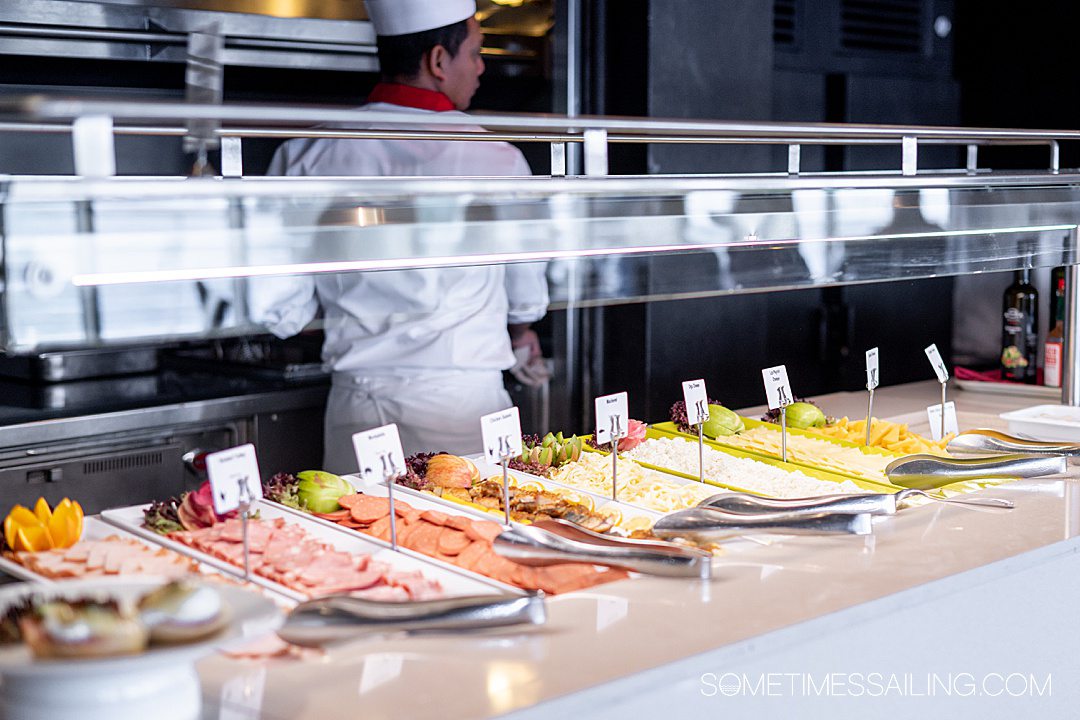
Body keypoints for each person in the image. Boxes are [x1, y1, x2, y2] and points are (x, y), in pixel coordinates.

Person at [260, 0, 548, 471]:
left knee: (359, 537)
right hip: (466, 410)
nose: (480, 69)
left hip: (360, 409)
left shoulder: (308, 154)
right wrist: (522, 330)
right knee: (481, 535)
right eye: (475, 53)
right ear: (438, 60)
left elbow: (282, 311)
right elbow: (526, 298)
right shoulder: (497, 159)